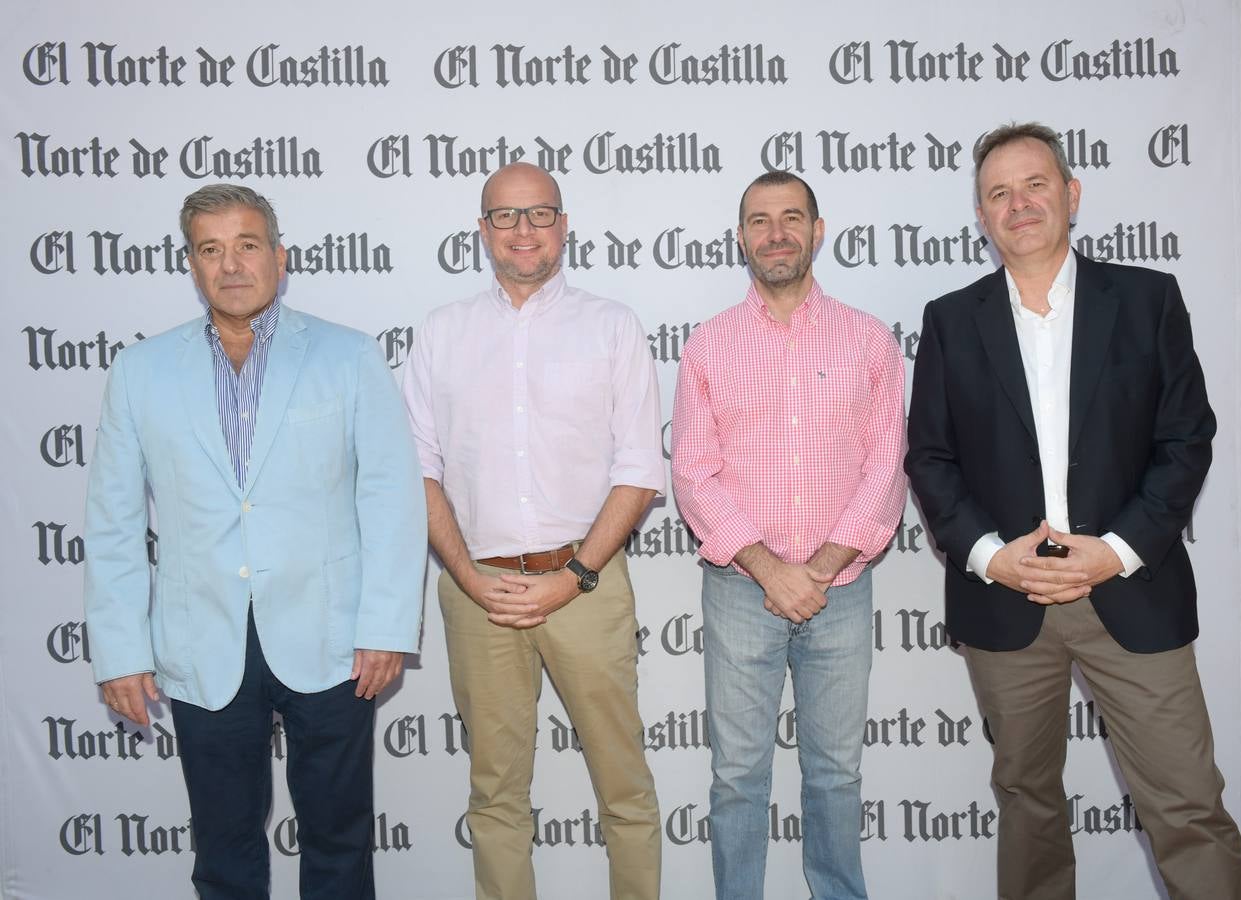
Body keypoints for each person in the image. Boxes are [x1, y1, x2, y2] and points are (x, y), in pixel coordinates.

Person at [904, 122, 1241, 899]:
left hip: (1131, 591)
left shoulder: (1146, 299)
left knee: (1187, 806)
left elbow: (1185, 437)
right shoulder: (951, 319)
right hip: (1006, 602)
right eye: (997, 193)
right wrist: (992, 555)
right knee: (1027, 806)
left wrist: (1120, 549)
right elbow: (930, 457)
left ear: (1071, 194)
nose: (1018, 203)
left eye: (1034, 184)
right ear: (982, 216)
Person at [83, 184, 427, 899]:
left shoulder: (348, 357)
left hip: (333, 638)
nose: (231, 265)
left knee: (339, 838)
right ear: (191, 263)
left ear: (280, 256)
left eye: (246, 245)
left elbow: (391, 500)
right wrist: (120, 650)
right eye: (211, 249)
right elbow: (112, 523)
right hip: (201, 636)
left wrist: (386, 625)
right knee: (223, 844)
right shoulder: (140, 373)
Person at [402, 162, 663, 900]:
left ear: (565, 224)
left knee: (625, 787)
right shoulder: (441, 332)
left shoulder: (611, 326)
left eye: (540, 213)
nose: (524, 230)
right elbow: (417, 468)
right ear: (481, 231)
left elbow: (640, 470)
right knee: (495, 795)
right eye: (506, 216)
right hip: (477, 590)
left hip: (587, 586)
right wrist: (466, 574)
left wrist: (572, 576)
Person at [670, 171, 906, 900]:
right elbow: (693, 472)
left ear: (818, 229)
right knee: (737, 775)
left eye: (791, 217)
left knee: (836, 773)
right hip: (744, 591)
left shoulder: (869, 340)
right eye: (760, 221)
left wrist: (822, 566)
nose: (776, 233)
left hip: (842, 589)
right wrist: (774, 571)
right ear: (741, 237)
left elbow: (886, 463)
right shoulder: (709, 346)